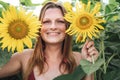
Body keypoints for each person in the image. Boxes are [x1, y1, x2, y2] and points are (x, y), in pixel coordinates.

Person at [0, 1, 99, 80]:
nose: (53, 27)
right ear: (39, 27)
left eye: (60, 21)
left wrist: (89, 64)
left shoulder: (79, 59)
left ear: (67, 27)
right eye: (46, 22)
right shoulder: (25, 57)